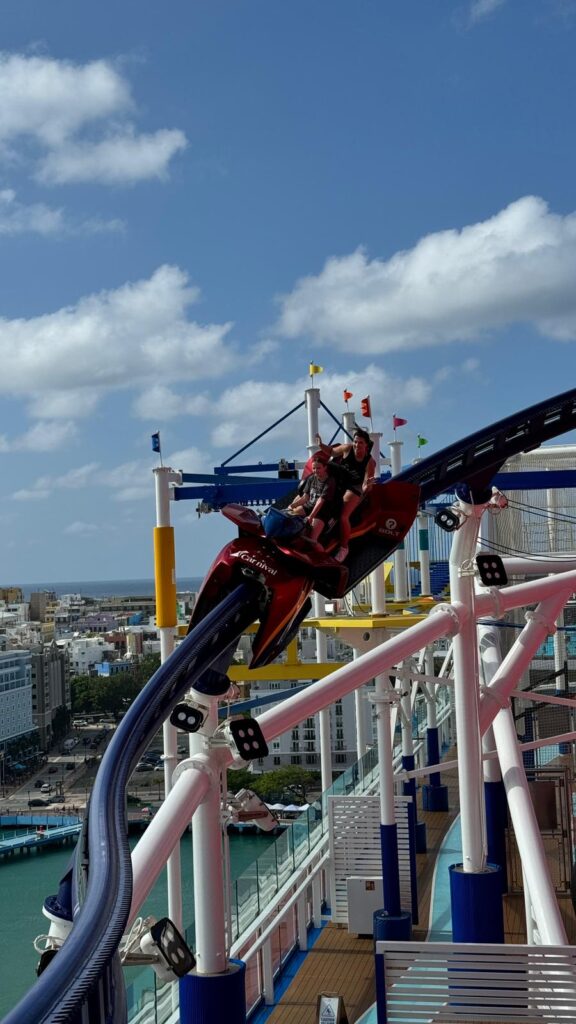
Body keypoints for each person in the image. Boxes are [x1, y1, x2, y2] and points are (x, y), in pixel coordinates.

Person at [314, 427, 376, 561]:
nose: (357, 445)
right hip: (341, 480)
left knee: (343, 516)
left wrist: (367, 486)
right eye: (355, 442)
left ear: (366, 445)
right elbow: (331, 451)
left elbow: (366, 484)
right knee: (326, 469)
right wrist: (320, 444)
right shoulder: (347, 449)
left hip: (354, 487)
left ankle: (344, 548)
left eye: (360, 443)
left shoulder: (369, 462)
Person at [286, 452, 338, 543]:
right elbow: (305, 497)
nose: (315, 470)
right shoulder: (311, 478)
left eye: (318, 468)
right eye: (314, 468)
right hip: (309, 506)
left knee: (312, 539)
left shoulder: (330, 481)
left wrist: (310, 517)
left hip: (322, 512)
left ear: (325, 468)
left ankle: (322, 556)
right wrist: (292, 505)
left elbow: (320, 502)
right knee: (289, 516)